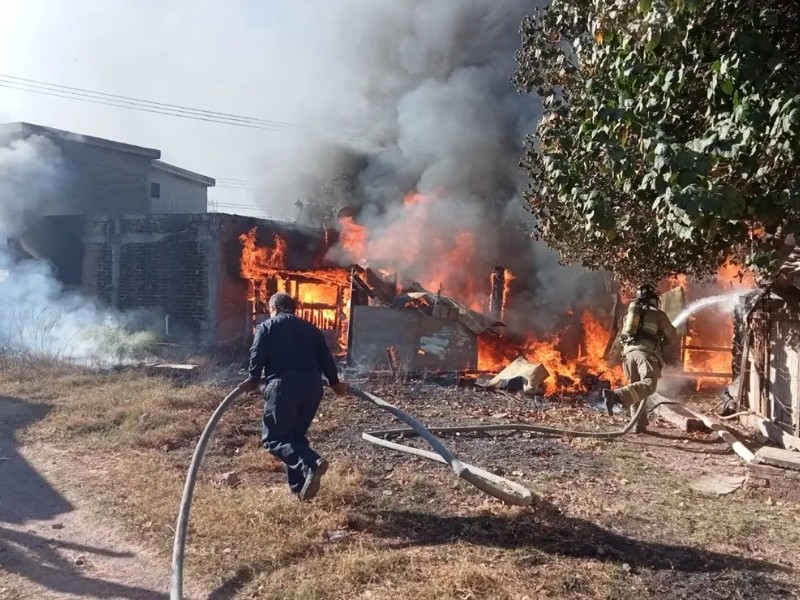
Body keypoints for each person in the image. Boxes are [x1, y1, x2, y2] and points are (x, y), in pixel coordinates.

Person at [243, 292, 348, 500]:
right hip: (313, 388)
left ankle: (311, 464)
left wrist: (253, 378)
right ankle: (300, 489)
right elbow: (326, 359)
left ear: (274, 309)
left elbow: (257, 354)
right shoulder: (311, 329)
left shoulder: (266, 327)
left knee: (274, 440)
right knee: (295, 438)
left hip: (284, 387)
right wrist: (335, 383)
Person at [602, 284, 680, 432]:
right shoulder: (658, 314)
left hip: (628, 356)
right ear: (653, 299)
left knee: (636, 388)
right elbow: (672, 337)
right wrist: (664, 343)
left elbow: (622, 338)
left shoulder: (628, 317)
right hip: (645, 353)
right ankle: (616, 396)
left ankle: (639, 424)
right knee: (649, 384)